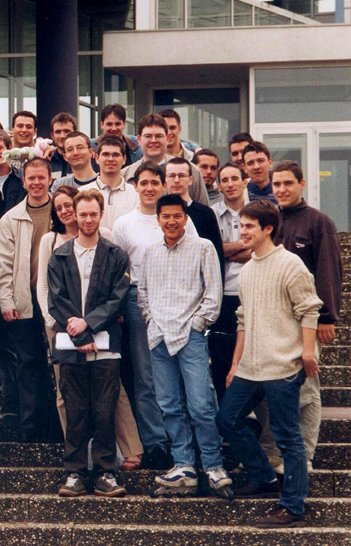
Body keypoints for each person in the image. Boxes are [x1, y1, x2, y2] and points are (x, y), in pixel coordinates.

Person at [216, 199, 321, 528]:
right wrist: (235, 363)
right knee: (227, 419)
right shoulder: (247, 270)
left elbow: (309, 309)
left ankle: (293, 505)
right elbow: (243, 319)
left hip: (284, 366)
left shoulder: (291, 264)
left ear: (268, 228)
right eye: (241, 225)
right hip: (250, 367)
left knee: (287, 437)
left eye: (249, 226)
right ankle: (263, 477)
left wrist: (307, 353)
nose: (242, 231)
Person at [38, 186, 144, 471]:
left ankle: (105, 469)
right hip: (69, 337)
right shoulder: (58, 254)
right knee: (73, 406)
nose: (87, 219)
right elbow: (55, 297)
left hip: (105, 339)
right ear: (75, 214)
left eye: (92, 214)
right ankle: (75, 469)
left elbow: (118, 297)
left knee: (105, 406)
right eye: (82, 214)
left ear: (101, 214)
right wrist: (80, 333)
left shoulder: (115, 253)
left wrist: (88, 324)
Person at [138, 194, 231, 499]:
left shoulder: (202, 247)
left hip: (190, 336)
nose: (171, 221)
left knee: (201, 405)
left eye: (177, 216)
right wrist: (152, 321)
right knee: (169, 405)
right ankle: (184, 465)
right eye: (165, 216)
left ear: (186, 218)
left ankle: (213, 465)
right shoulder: (150, 252)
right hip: (159, 337)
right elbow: (142, 292)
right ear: (158, 220)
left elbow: (213, 294)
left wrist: (197, 325)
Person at [111, 162, 198, 469]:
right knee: (146, 375)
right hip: (139, 300)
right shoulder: (124, 223)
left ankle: (183, 439)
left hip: (179, 300)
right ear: (135, 186)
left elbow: (194, 255)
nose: (149, 188)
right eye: (143, 182)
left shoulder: (179, 217)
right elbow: (119, 269)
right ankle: (155, 440)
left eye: (154, 182)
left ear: (164, 185)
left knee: (180, 372)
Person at [263, 160, 342, 471]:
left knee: (307, 390)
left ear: (302, 184)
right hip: (273, 321)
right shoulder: (270, 221)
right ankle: (276, 454)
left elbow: (329, 270)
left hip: (306, 322)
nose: (282, 189)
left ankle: (303, 457)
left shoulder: (319, 222)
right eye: (277, 184)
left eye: (288, 183)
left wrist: (327, 317)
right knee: (274, 390)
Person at [0, 158, 59, 442]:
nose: (36, 183)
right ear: (23, 182)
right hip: (25, 299)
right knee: (29, 363)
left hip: (58, 301)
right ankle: (30, 426)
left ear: (50, 179)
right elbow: (4, 265)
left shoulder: (61, 212)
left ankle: (57, 426)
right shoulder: (11, 218)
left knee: (60, 364)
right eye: (31, 178)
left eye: (41, 178)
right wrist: (6, 300)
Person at [209, 163, 251, 401]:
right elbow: (212, 251)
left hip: (252, 293)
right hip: (223, 294)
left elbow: (264, 248)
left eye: (235, 178)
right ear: (219, 186)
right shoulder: (212, 214)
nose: (230, 184)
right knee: (222, 358)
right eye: (224, 180)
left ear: (245, 182)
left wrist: (226, 251)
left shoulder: (259, 211)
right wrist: (244, 246)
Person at [123, 114, 209, 206]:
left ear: (167, 138)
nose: (153, 140)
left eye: (159, 136)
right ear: (139, 140)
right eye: (148, 136)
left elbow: (203, 211)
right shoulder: (125, 176)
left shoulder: (192, 171)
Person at [166, 158, 225, 278]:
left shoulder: (206, 213)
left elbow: (216, 255)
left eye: (181, 176)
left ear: (190, 180)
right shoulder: (158, 213)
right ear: (165, 180)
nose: (176, 180)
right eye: (172, 176)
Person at [78, 135, 138, 231]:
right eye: (105, 154)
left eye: (115, 155)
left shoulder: (136, 194)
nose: (110, 159)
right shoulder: (81, 193)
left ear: (124, 159)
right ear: (97, 158)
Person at [47, 112, 78, 178]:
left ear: (76, 133)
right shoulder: (46, 160)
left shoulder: (85, 159)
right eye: (58, 132)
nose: (62, 136)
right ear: (52, 136)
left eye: (66, 131)